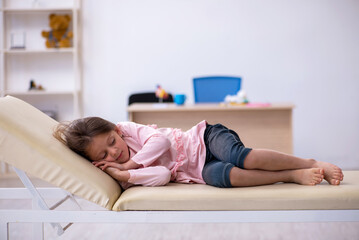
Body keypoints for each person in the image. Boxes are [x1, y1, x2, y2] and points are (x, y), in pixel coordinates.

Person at [53, 117, 344, 189]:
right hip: (195, 171)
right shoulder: (122, 173)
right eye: (105, 153)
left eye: (112, 141)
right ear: (97, 162)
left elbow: (162, 143)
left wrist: (131, 161)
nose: (114, 151)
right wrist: (126, 173)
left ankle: (309, 162)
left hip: (203, 139)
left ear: (116, 129)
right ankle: (294, 174)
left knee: (240, 155)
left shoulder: (129, 130)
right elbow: (164, 174)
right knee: (227, 176)